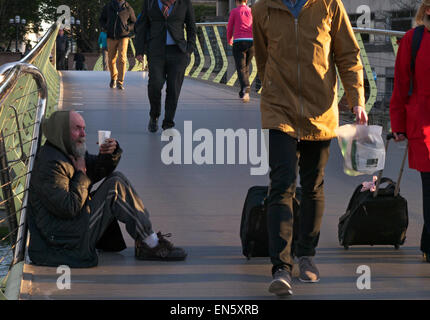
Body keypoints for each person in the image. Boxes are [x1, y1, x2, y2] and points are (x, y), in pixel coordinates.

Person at [252, 0, 368, 296]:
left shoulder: (329, 4)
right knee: (281, 183)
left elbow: (348, 53)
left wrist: (357, 99)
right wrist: (270, 88)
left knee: (313, 185)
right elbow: (262, 55)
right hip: (280, 108)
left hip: (320, 108)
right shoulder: (263, 8)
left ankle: (306, 255)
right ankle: (281, 266)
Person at [27, 110, 187, 268]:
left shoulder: (68, 151)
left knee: (116, 178)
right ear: (61, 131)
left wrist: (110, 153)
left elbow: (96, 170)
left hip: (67, 230)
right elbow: (69, 208)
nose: (83, 134)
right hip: (61, 241)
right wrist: (81, 173)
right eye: (77, 128)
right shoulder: (51, 164)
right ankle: (150, 244)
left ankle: (148, 240)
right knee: (114, 188)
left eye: (84, 128)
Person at [390, 0, 430, 263]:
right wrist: (398, 125)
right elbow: (401, 83)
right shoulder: (412, 40)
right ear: (428, 9)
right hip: (424, 125)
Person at [135, 0, 196, 132]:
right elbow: (142, 25)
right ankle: (154, 115)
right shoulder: (150, 2)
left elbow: (191, 26)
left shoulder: (184, 3)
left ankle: (168, 123)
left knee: (174, 89)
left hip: (178, 52)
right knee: (155, 85)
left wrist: (189, 49)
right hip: (156, 51)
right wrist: (139, 50)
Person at [100, 0, 137, 90]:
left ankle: (120, 82)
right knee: (111, 59)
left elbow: (134, 22)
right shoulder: (108, 6)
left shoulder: (128, 8)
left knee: (122, 58)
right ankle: (113, 78)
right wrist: (106, 27)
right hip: (111, 36)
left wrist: (128, 28)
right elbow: (101, 19)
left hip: (124, 36)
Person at [227, 0, 254, 103]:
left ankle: (246, 86)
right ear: (246, 1)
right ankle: (243, 92)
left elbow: (229, 27)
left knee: (240, 67)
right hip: (251, 42)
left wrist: (229, 38)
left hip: (238, 41)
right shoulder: (252, 11)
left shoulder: (234, 11)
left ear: (236, 1)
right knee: (246, 66)